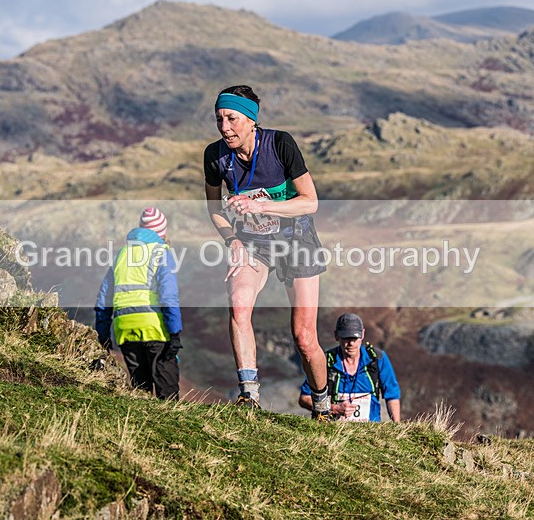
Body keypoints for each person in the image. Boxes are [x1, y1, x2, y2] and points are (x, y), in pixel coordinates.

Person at [203, 84, 331, 419]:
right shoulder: (215, 156)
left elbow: (310, 202)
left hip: (296, 240)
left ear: (250, 121)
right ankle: (249, 396)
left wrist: (262, 204)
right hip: (253, 244)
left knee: (304, 337)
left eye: (231, 118)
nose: (224, 127)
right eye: (219, 119)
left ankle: (322, 405)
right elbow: (214, 208)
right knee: (238, 304)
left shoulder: (280, 144)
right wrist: (232, 240)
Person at [94, 207, 183, 400]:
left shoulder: (121, 255)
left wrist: (102, 334)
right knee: (167, 393)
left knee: (140, 391)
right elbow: (168, 296)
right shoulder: (161, 252)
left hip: (124, 329)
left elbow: (103, 298)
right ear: (161, 232)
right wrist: (175, 332)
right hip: (154, 328)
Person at [299, 313, 401, 422]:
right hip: (334, 432)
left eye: (355, 338)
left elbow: (392, 395)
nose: (351, 343)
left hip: (371, 431)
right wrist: (333, 408)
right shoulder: (326, 361)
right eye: (346, 338)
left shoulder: (377, 359)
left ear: (362, 335)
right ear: (336, 336)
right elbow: (304, 398)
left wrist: (397, 428)